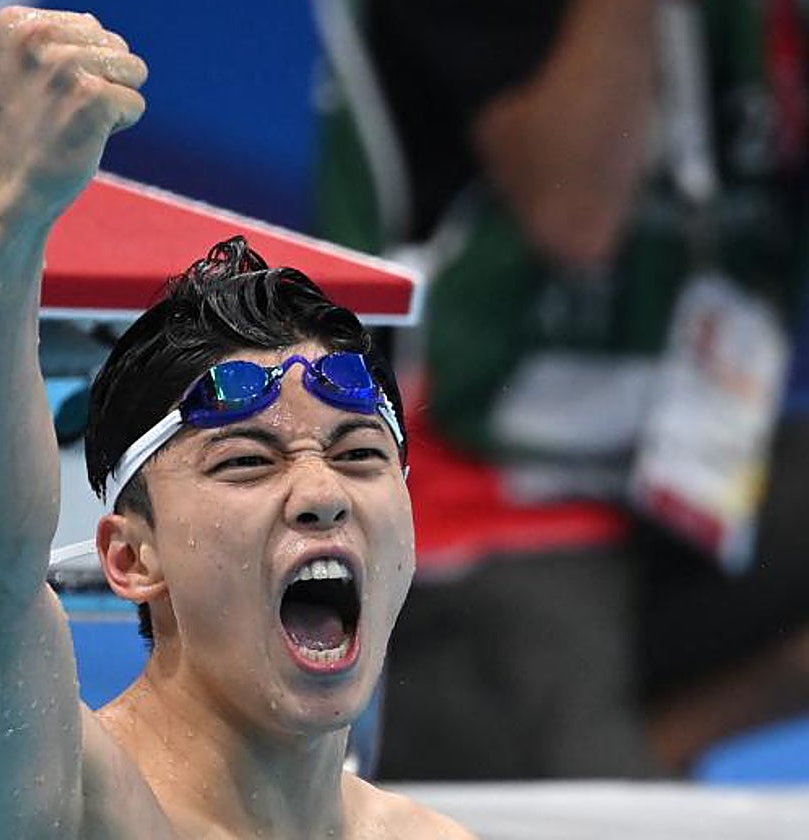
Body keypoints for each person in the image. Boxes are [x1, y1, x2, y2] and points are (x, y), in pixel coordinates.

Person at [0, 7, 472, 837]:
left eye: (359, 453)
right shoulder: (61, 809)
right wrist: (10, 218)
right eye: (246, 462)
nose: (320, 494)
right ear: (131, 555)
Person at [318, 0, 809, 779]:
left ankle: (649, 745)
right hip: (476, 508)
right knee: (609, 822)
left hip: (686, 488)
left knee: (619, 790)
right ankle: (598, 766)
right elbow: (575, 213)